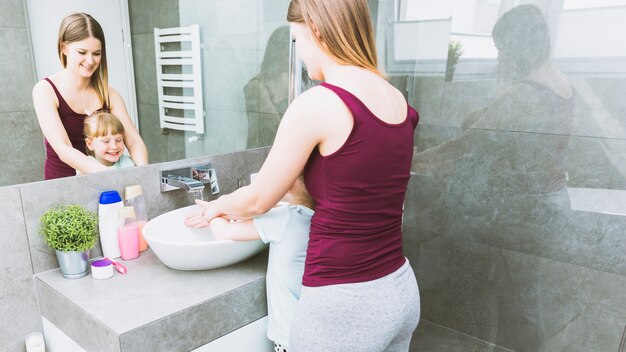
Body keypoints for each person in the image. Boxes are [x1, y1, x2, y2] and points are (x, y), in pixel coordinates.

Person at [185, 0, 421, 350]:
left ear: (316, 28)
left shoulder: (319, 104)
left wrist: (216, 206)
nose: (302, 55)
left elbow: (259, 197)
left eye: (298, 40)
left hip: (342, 302)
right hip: (399, 288)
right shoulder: (396, 98)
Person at [32, 12, 147, 180]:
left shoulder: (109, 94)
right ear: (64, 48)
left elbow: (134, 141)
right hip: (63, 184)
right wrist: (109, 175)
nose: (91, 60)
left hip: (106, 185)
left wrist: (143, 173)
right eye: (82, 52)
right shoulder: (45, 91)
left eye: (96, 53)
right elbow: (63, 148)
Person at [209, 176, 313, 352]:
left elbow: (223, 232)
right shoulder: (320, 217)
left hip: (289, 337)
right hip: (313, 331)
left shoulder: (286, 218)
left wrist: (212, 214)